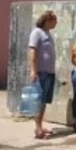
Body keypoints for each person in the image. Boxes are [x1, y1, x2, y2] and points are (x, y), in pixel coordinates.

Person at [28, 11, 57, 139]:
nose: (56, 23)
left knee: (44, 101)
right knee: (39, 101)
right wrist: (33, 71)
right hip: (41, 73)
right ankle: (38, 129)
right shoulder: (36, 33)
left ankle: (40, 125)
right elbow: (32, 52)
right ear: (47, 20)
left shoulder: (47, 33)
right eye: (54, 20)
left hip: (49, 73)